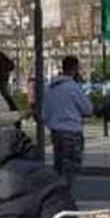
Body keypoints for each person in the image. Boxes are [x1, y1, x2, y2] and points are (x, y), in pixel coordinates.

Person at [41, 55, 93, 189]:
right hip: (72, 131)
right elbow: (87, 109)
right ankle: (64, 196)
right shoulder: (72, 87)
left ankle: (56, 194)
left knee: (58, 166)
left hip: (56, 132)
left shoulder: (50, 87)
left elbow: (44, 112)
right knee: (70, 167)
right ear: (75, 68)